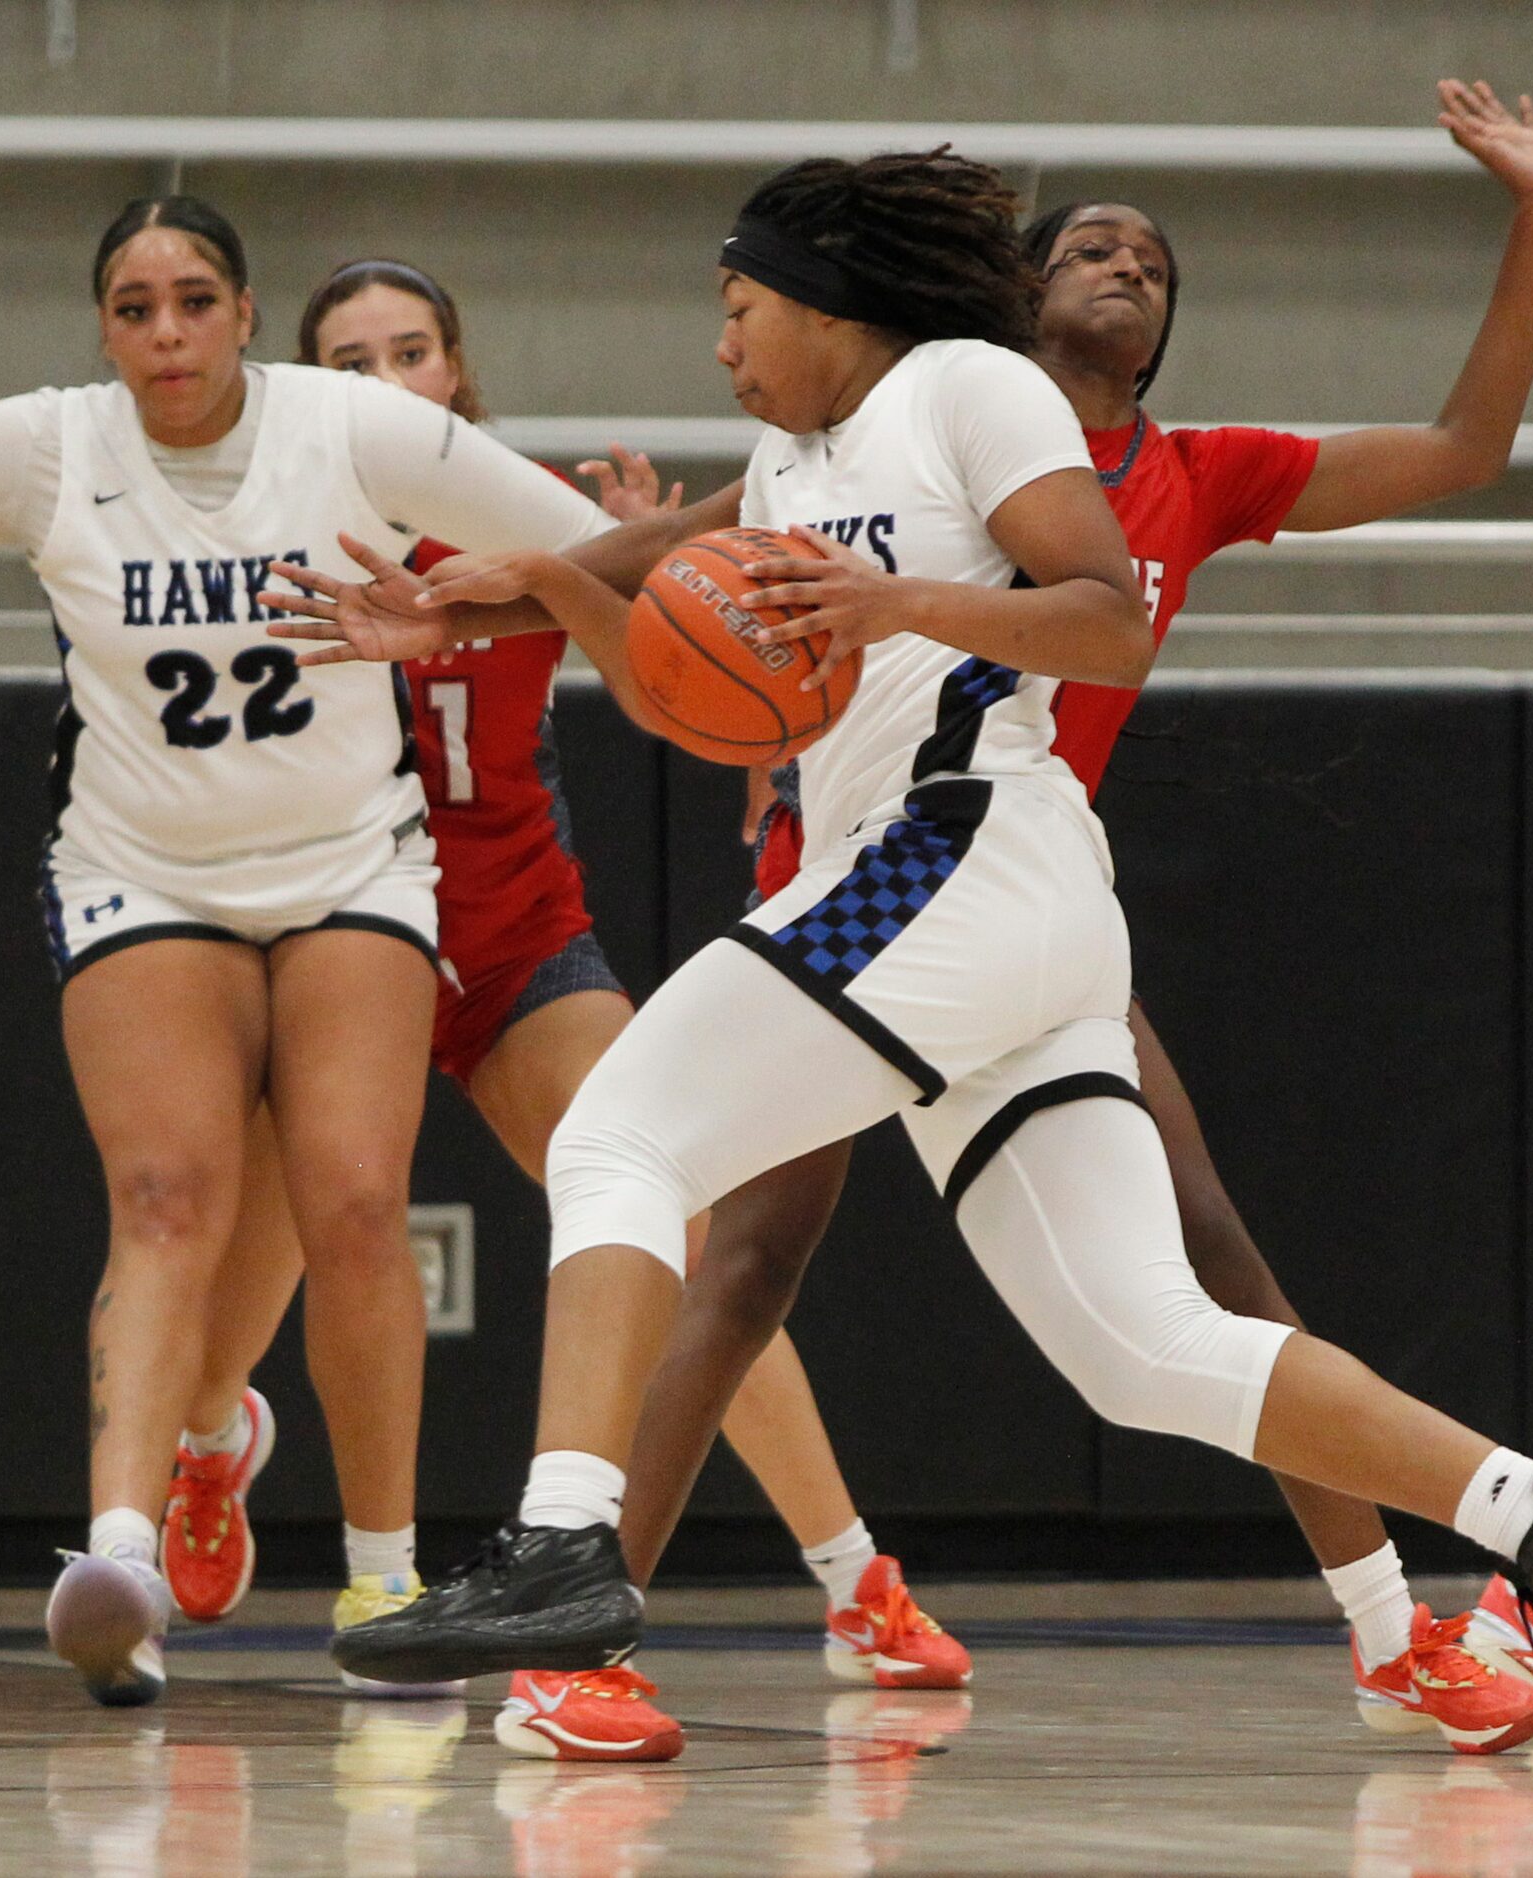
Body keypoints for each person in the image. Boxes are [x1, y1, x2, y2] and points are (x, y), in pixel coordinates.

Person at [275, 146, 1533, 1773]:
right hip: (994, 919)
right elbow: (655, 595)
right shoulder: (795, 448)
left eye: (737, 309)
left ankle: (568, 1539)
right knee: (1141, 1338)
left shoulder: (968, 388)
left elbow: (1106, 616)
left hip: (964, 848)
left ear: (822, 300)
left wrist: (899, 605)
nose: (720, 345)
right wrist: (465, 613)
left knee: (616, 1135)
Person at [690, 77, 1533, 1750]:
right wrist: (509, 578)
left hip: (1013, 883)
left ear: (1157, 342)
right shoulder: (914, 417)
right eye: (1086, 239)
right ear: (1011, 297)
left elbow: (1465, 450)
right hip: (848, 876)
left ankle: (1398, 1626)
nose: (1124, 260)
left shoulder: (1192, 474)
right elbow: (675, 552)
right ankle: (595, 1612)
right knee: (734, 1247)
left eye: (1150, 256)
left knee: (1192, 1258)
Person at [166, 255, 966, 1748]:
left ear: (456, 371)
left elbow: (706, 625)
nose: (387, 378)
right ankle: (213, 1437)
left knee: (660, 1222)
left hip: (518, 932)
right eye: (352, 356)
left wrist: (753, 744)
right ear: (305, 379)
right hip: (343, 940)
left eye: (413, 349)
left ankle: (853, 1574)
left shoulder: (523, 509)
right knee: (272, 1255)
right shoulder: (251, 518)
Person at [0, 192, 681, 1708]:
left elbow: (597, 551)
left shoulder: (350, 426)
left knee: (355, 1199)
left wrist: (480, 592)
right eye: (136, 305)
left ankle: (380, 1575)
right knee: (167, 1197)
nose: (167, 331)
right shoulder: (46, 447)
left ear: (241, 314)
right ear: (104, 329)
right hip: (142, 866)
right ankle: (119, 1561)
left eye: (196, 300)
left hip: (354, 860)